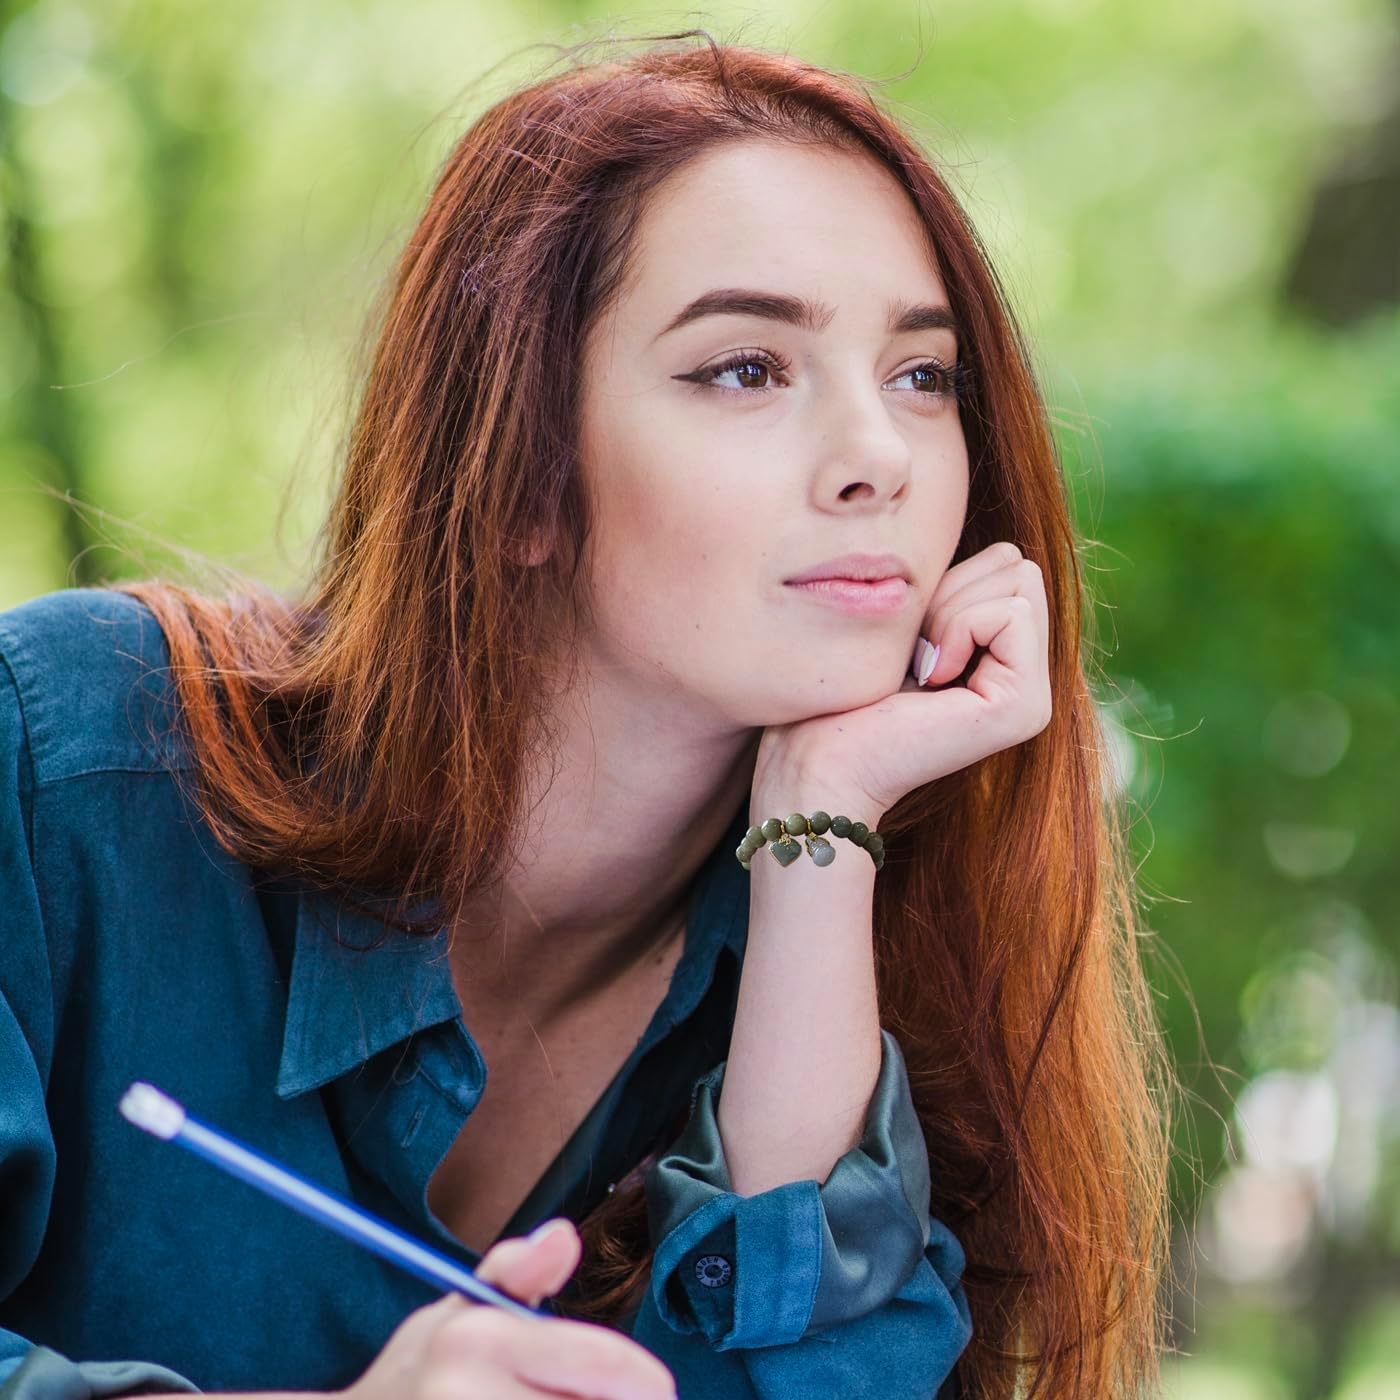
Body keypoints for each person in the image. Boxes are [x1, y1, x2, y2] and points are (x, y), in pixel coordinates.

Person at [0, 31, 1176, 1400]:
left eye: (923, 376)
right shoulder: (73, 758)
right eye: (746, 368)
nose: (880, 460)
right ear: (522, 477)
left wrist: (823, 823)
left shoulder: (872, 954)